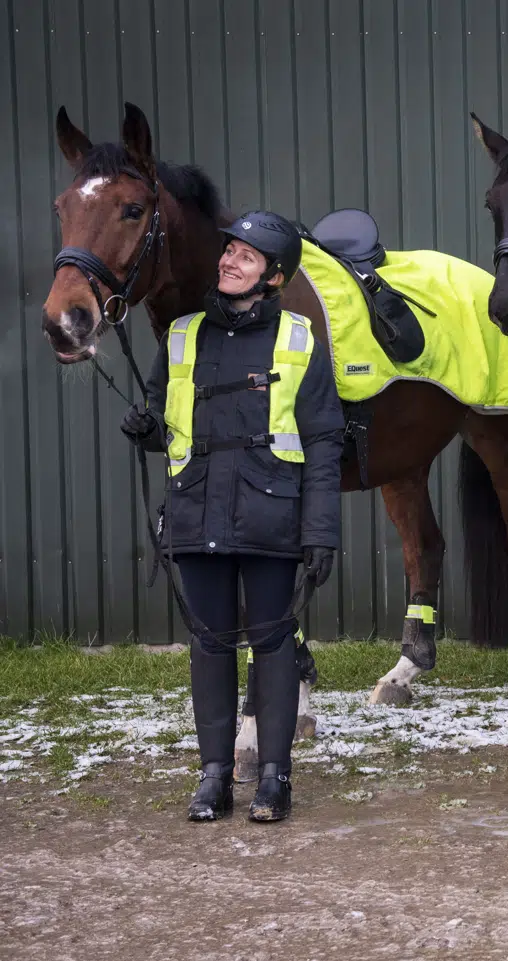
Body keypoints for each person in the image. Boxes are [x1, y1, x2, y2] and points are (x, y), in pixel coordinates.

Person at [121, 211, 343, 822]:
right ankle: (214, 774)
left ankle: (275, 778)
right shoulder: (182, 334)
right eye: (229, 251)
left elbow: (325, 443)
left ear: (273, 276)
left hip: (272, 520)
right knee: (209, 645)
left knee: (272, 644)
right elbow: (168, 419)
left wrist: (320, 531)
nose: (229, 261)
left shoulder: (301, 340)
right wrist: (146, 427)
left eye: (246, 256)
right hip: (196, 514)